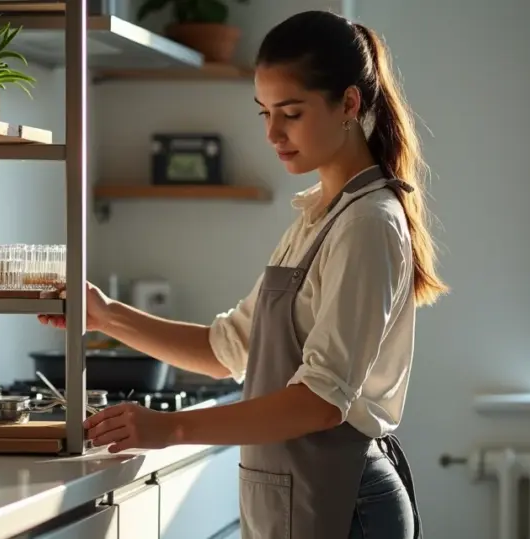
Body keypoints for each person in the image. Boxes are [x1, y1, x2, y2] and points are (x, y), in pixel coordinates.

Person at [37, 9, 447, 539]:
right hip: (303, 490)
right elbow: (226, 348)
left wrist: (174, 427)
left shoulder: (368, 224)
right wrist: (106, 316)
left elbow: (321, 403)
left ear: (349, 103)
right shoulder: (320, 216)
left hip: (348, 502)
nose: (273, 132)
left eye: (291, 113)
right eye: (265, 113)